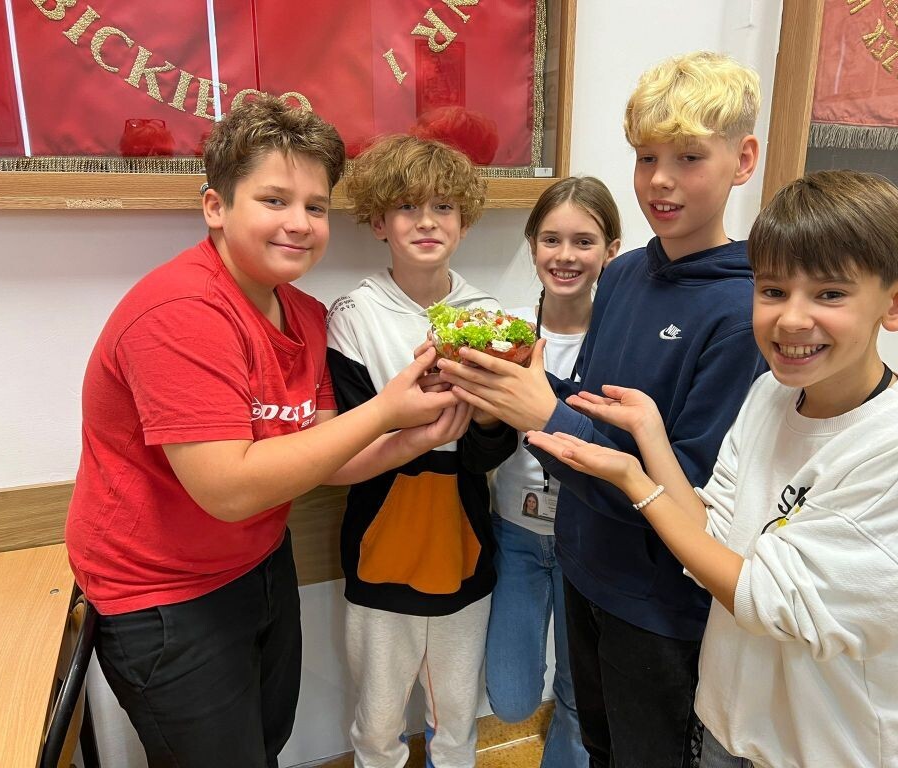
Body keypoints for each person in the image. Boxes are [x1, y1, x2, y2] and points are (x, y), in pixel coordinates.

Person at [526, 170, 898, 768]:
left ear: (896, 302)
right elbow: (711, 528)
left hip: (831, 750)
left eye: (830, 294)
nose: (792, 319)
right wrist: (651, 436)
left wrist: (634, 479)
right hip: (730, 727)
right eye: (773, 291)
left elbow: (769, 599)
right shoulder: (770, 395)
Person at [65, 96, 462, 768]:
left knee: (264, 743)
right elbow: (228, 490)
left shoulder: (303, 313)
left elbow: (327, 455)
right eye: (274, 200)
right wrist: (385, 412)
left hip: (260, 560)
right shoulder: (180, 311)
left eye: (315, 206)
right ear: (215, 207)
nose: (299, 223)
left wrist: (413, 438)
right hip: (162, 595)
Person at [437, 52, 766, 767]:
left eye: (688, 157)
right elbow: (589, 408)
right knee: (594, 741)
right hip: (583, 565)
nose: (660, 180)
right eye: (646, 158)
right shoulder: (622, 276)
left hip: (659, 603)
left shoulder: (744, 311)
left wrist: (541, 413)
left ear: (743, 160)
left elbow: (692, 492)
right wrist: (501, 384)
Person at [325, 134, 518, 768]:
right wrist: (421, 422)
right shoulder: (354, 314)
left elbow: (493, 449)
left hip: (465, 542)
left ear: (465, 221)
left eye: (444, 207)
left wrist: (484, 414)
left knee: (457, 720)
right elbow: (349, 440)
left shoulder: (488, 315)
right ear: (379, 221)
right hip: (381, 544)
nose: (427, 221)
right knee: (378, 724)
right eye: (408, 206)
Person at [485, 176, 621, 768]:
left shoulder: (621, 337)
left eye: (584, 242)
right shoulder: (506, 329)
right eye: (551, 239)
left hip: (587, 538)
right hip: (515, 533)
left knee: (576, 694)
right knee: (511, 698)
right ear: (532, 244)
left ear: (611, 250)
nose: (565, 256)